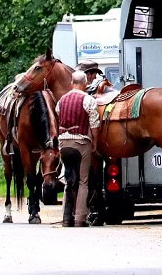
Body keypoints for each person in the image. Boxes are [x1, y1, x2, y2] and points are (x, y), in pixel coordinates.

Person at [56, 70, 101, 227]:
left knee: (69, 180)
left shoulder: (61, 100)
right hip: (81, 143)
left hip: (64, 144)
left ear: (71, 83)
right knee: (83, 181)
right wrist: (95, 142)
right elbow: (95, 124)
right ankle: (79, 218)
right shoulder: (88, 100)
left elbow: (58, 117)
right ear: (85, 84)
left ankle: (66, 218)